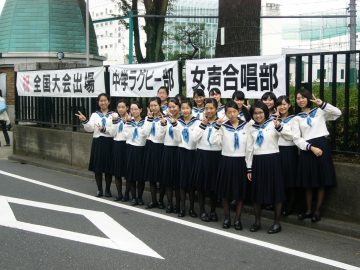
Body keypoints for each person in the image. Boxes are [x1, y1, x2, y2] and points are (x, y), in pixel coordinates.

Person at [293, 89, 341, 222]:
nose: (301, 100)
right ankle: (308, 210)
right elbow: (296, 138)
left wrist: (322, 104)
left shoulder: (320, 112)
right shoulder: (297, 118)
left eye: (303, 97)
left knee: (321, 181)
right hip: (308, 148)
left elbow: (338, 113)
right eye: (298, 98)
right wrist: (310, 147)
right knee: (308, 182)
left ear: (308, 98)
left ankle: (317, 211)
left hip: (322, 145)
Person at [246, 101, 293, 234]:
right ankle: (257, 222)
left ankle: (277, 223)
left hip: (273, 160)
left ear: (265, 113)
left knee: (276, 192)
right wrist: (249, 168)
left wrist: (279, 127)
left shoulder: (274, 123)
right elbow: (249, 149)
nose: (258, 115)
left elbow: (290, 136)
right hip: (258, 162)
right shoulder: (251, 128)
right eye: (255, 113)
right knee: (257, 193)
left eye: (260, 112)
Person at [211, 100, 250, 230]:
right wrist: (216, 127)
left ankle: (238, 220)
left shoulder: (246, 126)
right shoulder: (223, 126)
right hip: (226, 161)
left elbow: (249, 148)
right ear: (226, 113)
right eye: (229, 112)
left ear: (238, 112)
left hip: (240, 162)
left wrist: (249, 166)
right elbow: (214, 141)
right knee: (225, 192)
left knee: (239, 193)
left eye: (234, 111)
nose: (232, 114)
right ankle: (227, 218)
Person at [75, 93, 114, 198]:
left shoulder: (113, 115)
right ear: (98, 103)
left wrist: (105, 130)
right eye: (101, 101)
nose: (103, 102)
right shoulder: (95, 115)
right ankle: (100, 190)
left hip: (109, 143)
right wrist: (85, 120)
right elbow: (90, 129)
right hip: (98, 143)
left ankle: (108, 190)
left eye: (105, 100)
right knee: (98, 168)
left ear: (109, 102)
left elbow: (115, 131)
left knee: (108, 168)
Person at [192, 98, 221, 223]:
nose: (208, 111)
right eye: (206, 108)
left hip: (215, 156)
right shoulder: (199, 121)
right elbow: (194, 138)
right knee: (201, 185)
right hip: (202, 155)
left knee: (214, 185)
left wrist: (217, 126)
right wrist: (203, 124)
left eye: (211, 108)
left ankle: (213, 211)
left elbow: (220, 141)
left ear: (216, 109)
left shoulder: (221, 123)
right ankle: (202, 210)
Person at [172, 98, 200, 218]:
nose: (185, 110)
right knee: (182, 182)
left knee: (191, 184)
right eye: (183, 108)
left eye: (187, 108)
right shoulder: (177, 121)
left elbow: (195, 139)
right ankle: (183, 208)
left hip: (192, 154)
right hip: (181, 153)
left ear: (191, 109)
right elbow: (177, 139)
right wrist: (175, 125)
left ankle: (192, 208)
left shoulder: (197, 122)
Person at [275, 96, 299, 216]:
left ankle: (290, 205)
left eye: (284, 104)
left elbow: (292, 136)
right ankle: (280, 204)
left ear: (289, 105)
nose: (282, 107)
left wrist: (279, 127)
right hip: (276, 151)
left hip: (289, 151)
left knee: (290, 179)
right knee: (279, 179)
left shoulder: (294, 119)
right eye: (279, 104)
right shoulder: (274, 119)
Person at [143, 97, 167, 209]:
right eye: (151, 106)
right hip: (150, 147)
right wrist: (149, 119)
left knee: (162, 176)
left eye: (155, 105)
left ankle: (161, 200)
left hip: (161, 147)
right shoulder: (148, 118)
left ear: (160, 105)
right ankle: (154, 201)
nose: (153, 108)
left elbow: (161, 135)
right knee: (152, 176)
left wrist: (162, 124)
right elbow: (144, 133)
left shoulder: (165, 118)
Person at [124, 101, 148, 206]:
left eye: (136, 109)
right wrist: (128, 123)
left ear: (141, 110)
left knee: (140, 176)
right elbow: (127, 135)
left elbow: (144, 135)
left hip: (141, 149)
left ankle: (140, 197)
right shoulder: (129, 121)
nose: (133, 111)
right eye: (132, 109)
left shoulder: (145, 121)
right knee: (131, 175)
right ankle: (133, 197)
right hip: (130, 148)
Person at [160, 98, 181, 213]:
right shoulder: (164, 119)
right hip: (167, 149)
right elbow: (160, 135)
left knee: (177, 180)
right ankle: (169, 204)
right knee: (168, 180)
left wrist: (175, 123)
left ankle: (178, 205)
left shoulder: (183, 119)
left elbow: (181, 138)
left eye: (174, 107)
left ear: (179, 107)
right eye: (170, 107)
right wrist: (163, 125)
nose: (172, 109)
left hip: (178, 150)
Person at [109, 99, 130, 202]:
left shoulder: (131, 118)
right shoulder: (114, 118)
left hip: (127, 145)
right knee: (117, 172)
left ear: (127, 108)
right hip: (117, 144)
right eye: (119, 107)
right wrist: (114, 122)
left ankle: (127, 194)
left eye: (123, 107)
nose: (121, 109)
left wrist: (127, 123)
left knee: (127, 172)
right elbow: (112, 133)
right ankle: (119, 194)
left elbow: (129, 135)